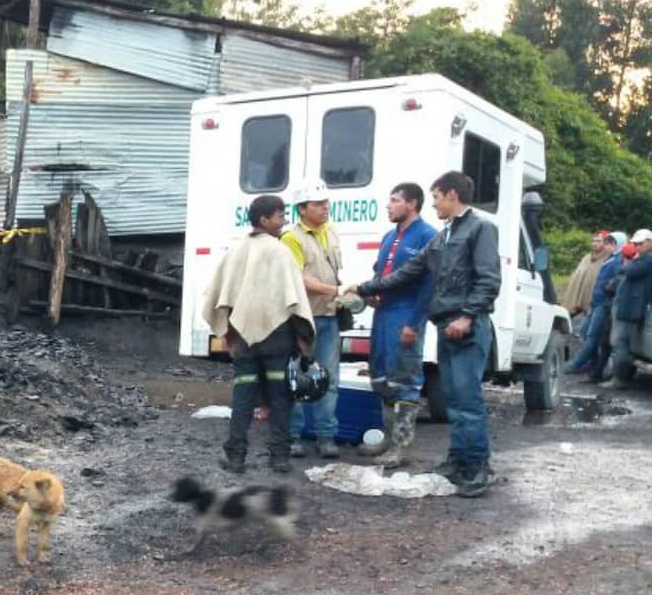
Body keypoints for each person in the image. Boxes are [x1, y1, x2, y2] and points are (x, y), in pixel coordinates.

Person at [352, 171, 501, 498]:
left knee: (468, 401)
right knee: (454, 401)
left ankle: (478, 468)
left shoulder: (480, 228)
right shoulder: (445, 235)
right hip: (446, 326)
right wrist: (365, 288)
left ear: (451, 194)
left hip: (466, 328)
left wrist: (467, 316)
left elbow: (489, 280)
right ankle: (457, 461)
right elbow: (411, 270)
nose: (433, 204)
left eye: (435, 197)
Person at [202, 195, 315, 474]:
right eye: (280, 216)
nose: (284, 221)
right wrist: (303, 340)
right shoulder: (280, 252)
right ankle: (279, 458)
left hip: (244, 341)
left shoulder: (236, 251)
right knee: (280, 399)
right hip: (277, 339)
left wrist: (229, 334)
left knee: (243, 398)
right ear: (264, 220)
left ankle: (235, 458)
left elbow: (220, 296)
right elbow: (294, 301)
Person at [367, 183, 438, 468]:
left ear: (412, 204)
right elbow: (379, 271)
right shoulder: (389, 236)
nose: (388, 205)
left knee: (406, 381)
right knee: (381, 378)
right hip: (383, 314)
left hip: (406, 314)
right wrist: (371, 293)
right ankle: (387, 439)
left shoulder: (427, 236)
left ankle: (400, 446)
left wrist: (414, 323)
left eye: (395, 200)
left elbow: (429, 285)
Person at [280, 180, 346, 459]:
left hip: (329, 316)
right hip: (302, 319)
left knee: (328, 379)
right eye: (318, 204)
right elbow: (298, 279)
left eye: (325, 202)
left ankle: (326, 436)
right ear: (302, 209)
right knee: (295, 378)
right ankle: (293, 436)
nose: (324, 207)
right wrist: (335, 291)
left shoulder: (330, 231)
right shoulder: (291, 238)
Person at [602, 229, 652, 390]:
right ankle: (620, 376)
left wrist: (629, 263)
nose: (637, 246)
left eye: (640, 243)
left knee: (621, 344)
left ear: (649, 243)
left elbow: (629, 271)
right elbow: (621, 271)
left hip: (633, 307)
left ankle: (620, 379)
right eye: (635, 244)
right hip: (629, 306)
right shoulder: (642, 259)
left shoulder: (648, 260)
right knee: (622, 343)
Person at [565, 233, 620, 375]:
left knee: (593, 335)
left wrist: (609, 288)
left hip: (604, 303)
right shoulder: (607, 259)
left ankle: (577, 364)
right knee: (585, 331)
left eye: (610, 243)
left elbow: (617, 280)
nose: (607, 246)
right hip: (596, 302)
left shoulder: (616, 261)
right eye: (606, 243)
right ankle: (592, 362)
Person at [561, 230, 609, 320]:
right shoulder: (586, 258)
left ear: (606, 243)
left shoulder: (607, 260)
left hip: (592, 305)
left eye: (598, 241)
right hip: (576, 304)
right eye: (593, 241)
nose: (594, 243)